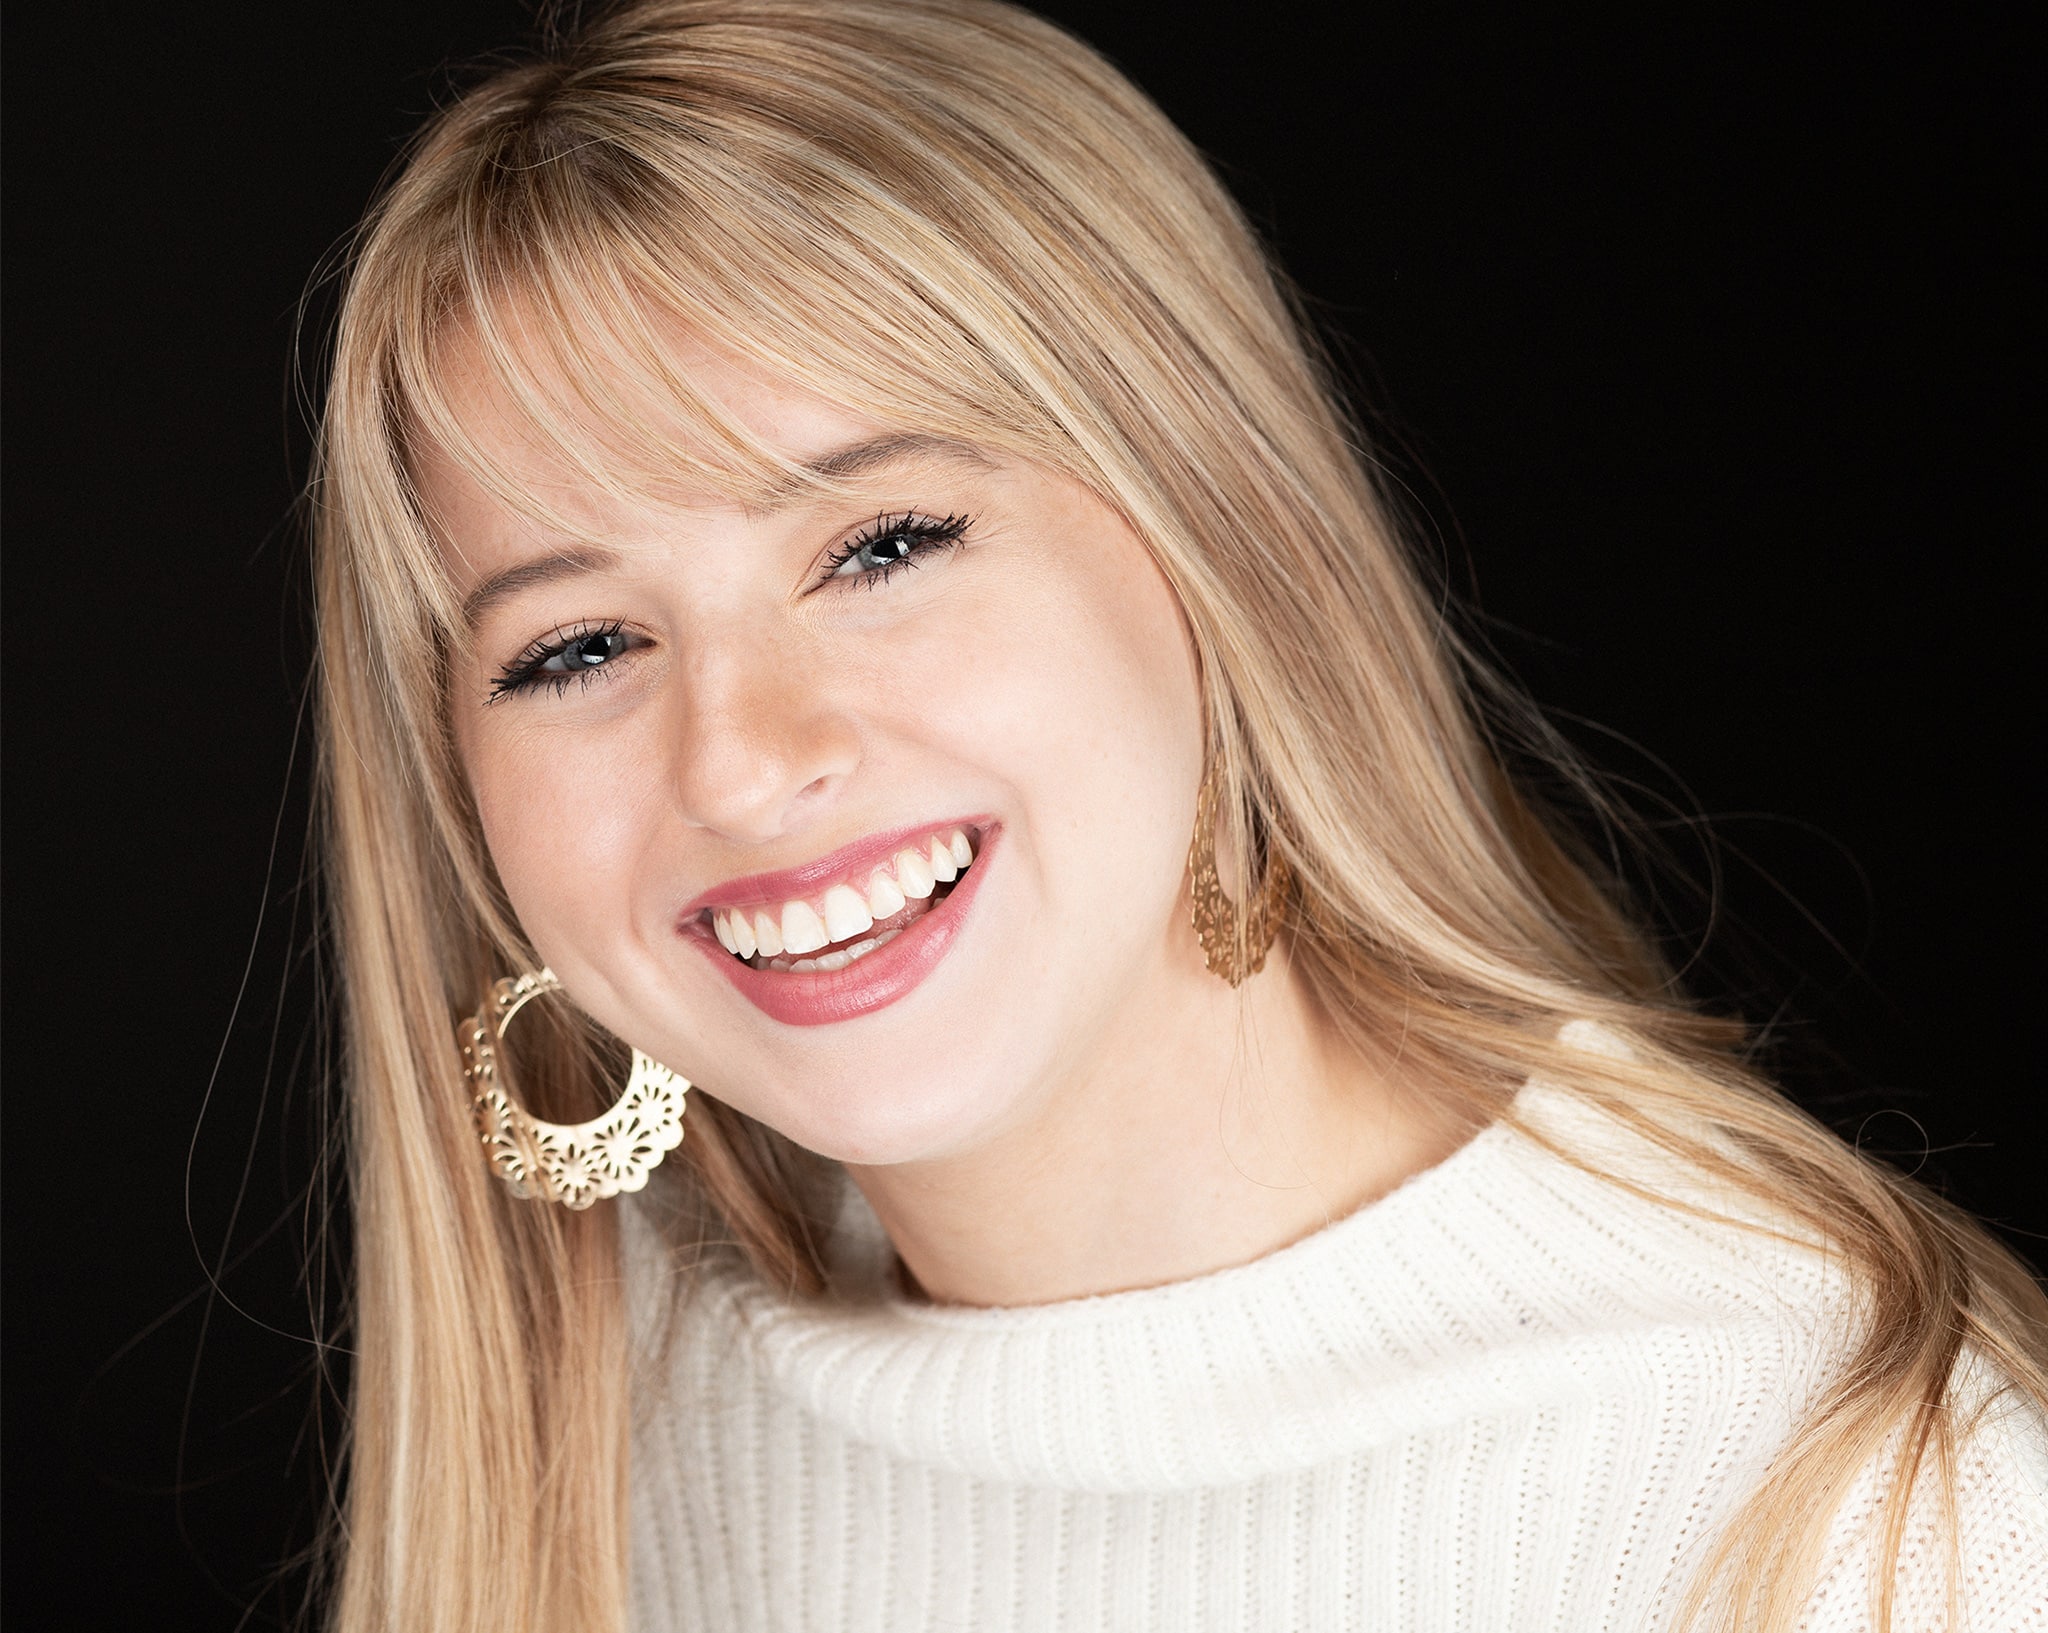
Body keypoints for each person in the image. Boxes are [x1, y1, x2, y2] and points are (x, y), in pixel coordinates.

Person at [306, 1, 2047, 1627]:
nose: (744, 762)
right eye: (582, 643)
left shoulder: (1862, 1502)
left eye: (882, 546)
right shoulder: (591, 1414)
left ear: (1229, 545)